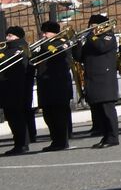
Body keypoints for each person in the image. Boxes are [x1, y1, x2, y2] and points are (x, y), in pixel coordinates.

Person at [74, 14, 120, 148]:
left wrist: (91, 37)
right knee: (99, 112)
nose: (91, 29)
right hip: (93, 80)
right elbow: (79, 57)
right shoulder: (90, 40)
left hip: (105, 80)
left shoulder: (108, 37)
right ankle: (105, 136)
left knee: (108, 111)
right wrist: (77, 44)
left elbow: (101, 47)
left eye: (93, 26)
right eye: (90, 26)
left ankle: (113, 137)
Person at [34, 22, 73, 151]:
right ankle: (56, 140)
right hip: (46, 84)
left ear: (53, 32)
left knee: (58, 115)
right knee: (48, 115)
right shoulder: (46, 45)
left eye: (46, 32)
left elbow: (57, 53)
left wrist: (44, 46)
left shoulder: (60, 42)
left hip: (58, 84)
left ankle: (61, 141)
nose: (43, 35)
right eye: (43, 32)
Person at [1, 26, 33, 155]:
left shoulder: (20, 49)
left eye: (10, 36)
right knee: (11, 117)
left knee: (17, 117)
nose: (7, 38)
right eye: (7, 35)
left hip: (15, 87)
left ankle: (22, 144)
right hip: (7, 88)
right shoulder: (8, 49)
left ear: (17, 37)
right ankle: (18, 143)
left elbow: (8, 61)